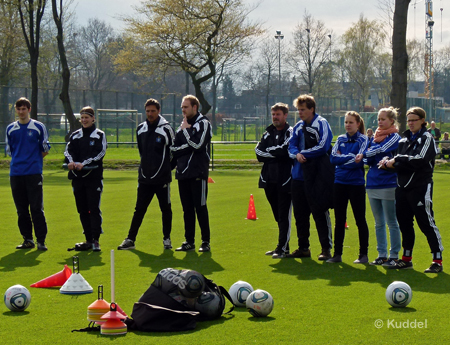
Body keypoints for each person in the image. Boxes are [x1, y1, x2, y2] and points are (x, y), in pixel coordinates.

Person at [384, 106, 444, 273]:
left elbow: (419, 160)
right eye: (408, 120)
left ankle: (437, 260)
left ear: (422, 121)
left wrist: (397, 159)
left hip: (420, 187)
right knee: (404, 223)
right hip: (402, 188)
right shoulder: (403, 140)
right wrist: (386, 163)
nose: (410, 123)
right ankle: (406, 258)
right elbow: (398, 164)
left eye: (414, 120)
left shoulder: (427, 138)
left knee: (426, 223)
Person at [118, 99, 175, 250]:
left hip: (162, 178)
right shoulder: (140, 129)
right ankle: (130, 239)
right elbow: (142, 151)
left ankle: (167, 239)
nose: (150, 114)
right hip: (144, 178)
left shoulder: (167, 129)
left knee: (165, 209)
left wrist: (167, 168)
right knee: (139, 209)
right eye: (148, 111)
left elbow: (173, 151)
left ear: (159, 111)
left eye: (153, 111)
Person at [287, 94, 334, 261]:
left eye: (303, 109)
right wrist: (295, 155)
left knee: (319, 211)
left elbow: (324, 145)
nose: (300, 113)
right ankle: (303, 247)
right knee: (300, 214)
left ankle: (326, 249)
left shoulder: (321, 123)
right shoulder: (298, 126)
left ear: (312, 109)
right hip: (298, 176)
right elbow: (291, 145)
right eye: (298, 109)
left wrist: (303, 154)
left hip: (317, 176)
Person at [357, 107, 401, 267]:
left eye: (383, 119)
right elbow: (367, 159)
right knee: (378, 222)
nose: (380, 122)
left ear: (391, 121)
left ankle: (394, 255)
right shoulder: (374, 137)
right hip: (372, 183)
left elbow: (381, 150)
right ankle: (382, 254)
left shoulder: (394, 136)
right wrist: (368, 154)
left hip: (388, 183)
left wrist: (367, 153)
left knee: (391, 221)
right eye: (378, 119)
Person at [6, 97, 51, 251]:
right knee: (21, 209)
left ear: (29, 109)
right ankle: (27, 239)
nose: (21, 112)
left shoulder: (38, 127)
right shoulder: (11, 129)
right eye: (18, 109)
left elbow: (45, 149)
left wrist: (33, 161)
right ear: (16, 110)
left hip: (33, 173)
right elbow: (10, 151)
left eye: (24, 109)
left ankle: (41, 241)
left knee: (36, 208)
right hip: (16, 174)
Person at [171, 95, 212, 252]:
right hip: (182, 173)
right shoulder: (182, 125)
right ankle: (189, 241)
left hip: (198, 172)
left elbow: (198, 145)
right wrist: (186, 141)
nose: (183, 110)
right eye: (182, 107)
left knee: (200, 207)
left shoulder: (204, 124)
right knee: (187, 209)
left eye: (186, 107)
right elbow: (174, 149)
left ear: (195, 107)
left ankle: (205, 242)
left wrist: (187, 132)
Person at [327, 111, 369, 264]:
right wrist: (352, 157)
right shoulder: (340, 139)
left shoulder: (364, 139)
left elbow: (360, 160)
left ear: (358, 124)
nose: (348, 125)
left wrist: (343, 159)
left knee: (360, 220)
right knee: (339, 220)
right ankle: (337, 254)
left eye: (351, 122)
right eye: (346, 122)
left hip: (356, 185)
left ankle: (363, 255)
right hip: (339, 183)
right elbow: (332, 159)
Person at [64, 106, 107, 252]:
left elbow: (100, 153)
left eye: (87, 117)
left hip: (93, 178)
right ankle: (88, 239)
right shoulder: (75, 135)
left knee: (93, 208)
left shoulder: (99, 135)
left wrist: (84, 163)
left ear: (93, 119)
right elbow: (68, 151)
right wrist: (71, 162)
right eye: (82, 118)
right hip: (77, 178)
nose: (84, 120)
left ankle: (96, 240)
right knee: (82, 209)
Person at [255, 102, 293, 259]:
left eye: (278, 114)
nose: (275, 117)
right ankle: (283, 246)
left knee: (284, 216)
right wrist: (274, 154)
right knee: (277, 216)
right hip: (268, 180)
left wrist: (269, 153)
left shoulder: (290, 132)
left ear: (285, 115)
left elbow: (285, 151)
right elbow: (258, 153)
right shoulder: (267, 133)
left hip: (284, 181)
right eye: (273, 114)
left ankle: (282, 248)